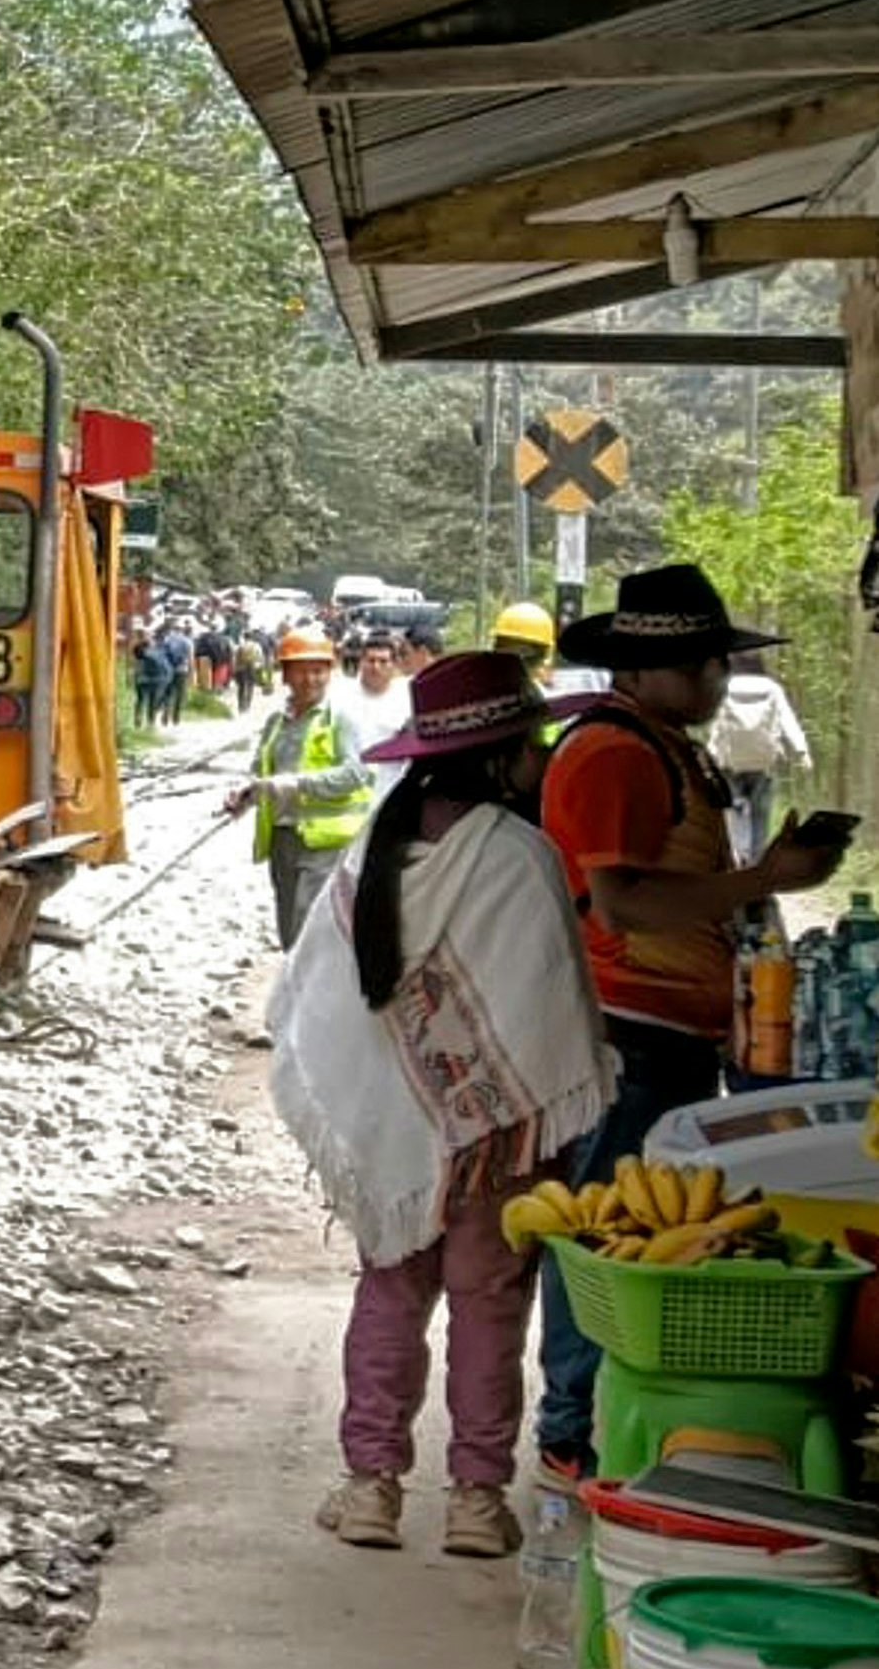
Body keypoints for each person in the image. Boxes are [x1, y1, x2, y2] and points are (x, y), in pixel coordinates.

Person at [266, 653, 607, 1561]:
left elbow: (320, 995)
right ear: (500, 759)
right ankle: (475, 1501)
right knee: (490, 1308)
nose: (543, 756)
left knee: (389, 1295)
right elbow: (551, 1008)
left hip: (393, 1132)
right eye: (533, 741)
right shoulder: (519, 854)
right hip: (499, 1140)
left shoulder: (375, 847)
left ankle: (370, 1487)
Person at [533, 565, 847, 1484]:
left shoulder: (665, 748)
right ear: (640, 670)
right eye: (699, 663)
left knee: (631, 1230)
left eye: (717, 661)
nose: (715, 678)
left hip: (667, 1026)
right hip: (627, 1028)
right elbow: (621, 903)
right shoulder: (615, 753)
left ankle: (588, 1421)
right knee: (606, 1238)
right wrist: (766, 879)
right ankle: (570, 1429)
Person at [227, 626, 371, 950]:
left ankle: (313, 981)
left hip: (326, 841)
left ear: (330, 673)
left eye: (318, 671)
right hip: (283, 837)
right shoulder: (276, 723)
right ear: (285, 674)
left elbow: (356, 773)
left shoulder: (340, 719)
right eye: (301, 671)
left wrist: (296, 784)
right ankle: (295, 980)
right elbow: (261, 770)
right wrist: (245, 795)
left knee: (309, 926)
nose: (310, 679)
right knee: (289, 927)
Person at [711, 651, 812, 865]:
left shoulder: (724, 687)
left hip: (730, 761)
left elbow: (717, 725)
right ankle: (757, 861)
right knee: (760, 812)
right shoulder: (772, 689)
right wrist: (802, 751)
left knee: (735, 809)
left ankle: (740, 856)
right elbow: (787, 720)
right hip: (763, 760)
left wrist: (711, 754)